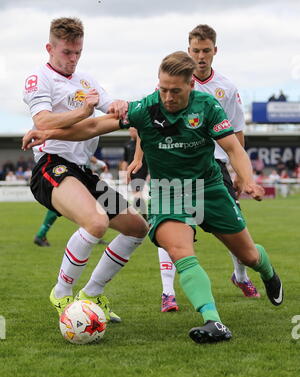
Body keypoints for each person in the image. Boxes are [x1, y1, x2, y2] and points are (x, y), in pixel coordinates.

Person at [22, 51, 284, 344]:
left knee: (248, 254)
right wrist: (49, 133)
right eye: (163, 89)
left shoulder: (207, 106)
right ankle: (213, 321)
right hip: (168, 192)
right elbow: (95, 126)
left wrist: (247, 180)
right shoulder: (146, 108)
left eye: (175, 91)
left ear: (191, 87)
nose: (168, 97)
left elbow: (234, 149)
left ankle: (268, 271)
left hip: (208, 187)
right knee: (181, 251)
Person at [23, 17, 148, 322]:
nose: (73, 59)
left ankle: (90, 295)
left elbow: (109, 114)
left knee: (137, 228)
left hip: (83, 171)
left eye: (78, 52)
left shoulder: (87, 81)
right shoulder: (39, 79)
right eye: (67, 52)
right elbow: (43, 123)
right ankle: (62, 294)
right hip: (52, 166)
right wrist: (83, 110)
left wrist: (121, 106)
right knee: (96, 221)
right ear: (50, 48)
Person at [131, 24, 260, 311]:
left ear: (215, 51)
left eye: (206, 51)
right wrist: (140, 158)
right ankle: (168, 292)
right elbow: (147, 126)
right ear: (188, 52)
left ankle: (240, 275)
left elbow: (237, 133)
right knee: (170, 224)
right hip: (174, 161)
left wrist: (241, 173)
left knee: (233, 228)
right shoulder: (171, 85)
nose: (201, 56)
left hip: (215, 167)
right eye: (196, 51)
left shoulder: (226, 88)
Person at [121, 127, 149, 218]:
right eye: (130, 131)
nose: (131, 132)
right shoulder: (127, 144)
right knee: (136, 192)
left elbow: (148, 159)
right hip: (131, 171)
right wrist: (123, 172)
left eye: (133, 131)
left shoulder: (142, 144)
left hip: (140, 170)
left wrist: (149, 173)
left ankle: (139, 212)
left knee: (137, 191)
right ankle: (142, 212)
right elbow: (125, 160)